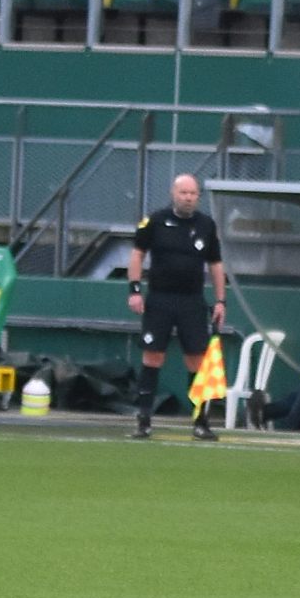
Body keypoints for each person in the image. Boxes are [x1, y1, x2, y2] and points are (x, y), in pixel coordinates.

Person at [127, 174, 227, 441]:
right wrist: (135, 290)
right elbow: (137, 254)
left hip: (192, 301)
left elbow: (216, 265)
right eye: (184, 193)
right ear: (174, 193)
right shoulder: (155, 221)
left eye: (193, 193)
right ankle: (144, 420)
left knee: (196, 359)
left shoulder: (206, 225)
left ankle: (200, 421)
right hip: (160, 299)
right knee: (153, 356)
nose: (188, 198)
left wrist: (220, 300)